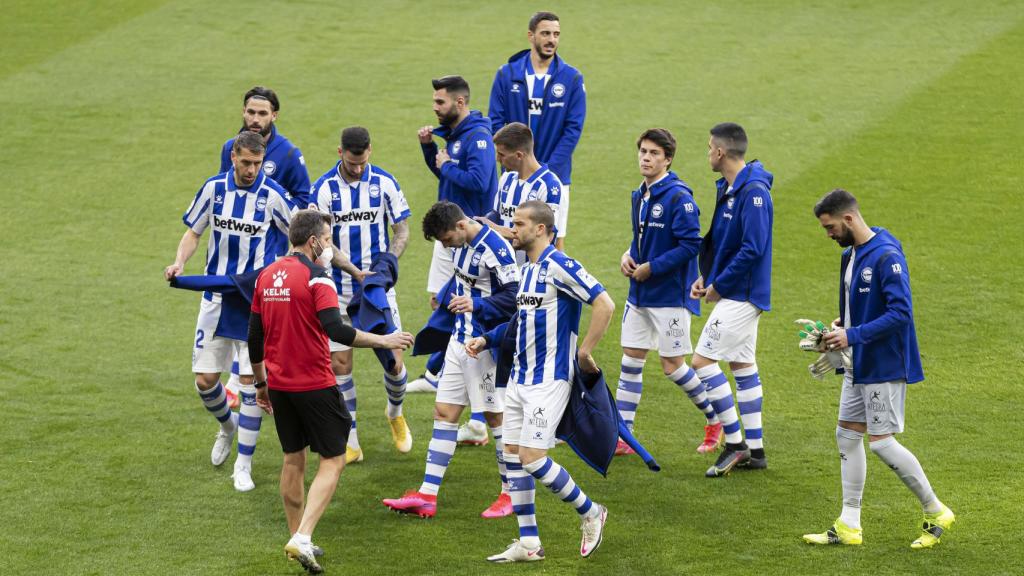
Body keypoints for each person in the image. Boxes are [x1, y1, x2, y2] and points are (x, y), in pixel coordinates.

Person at [248, 209, 413, 573]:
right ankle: (304, 536)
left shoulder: (266, 276)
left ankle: (297, 537)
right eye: (328, 238)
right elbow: (337, 330)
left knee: (293, 458)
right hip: (315, 384)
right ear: (314, 241)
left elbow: (254, 337)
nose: (329, 245)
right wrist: (384, 339)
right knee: (334, 458)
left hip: (279, 385)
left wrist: (261, 385)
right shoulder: (318, 277)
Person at [802, 189, 954, 549]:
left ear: (849, 219)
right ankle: (849, 524)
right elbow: (864, 304)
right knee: (847, 436)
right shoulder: (852, 254)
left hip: (884, 364)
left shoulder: (886, 256)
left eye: (830, 227)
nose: (828, 234)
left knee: (882, 444)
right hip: (860, 362)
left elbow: (901, 314)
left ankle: (936, 510)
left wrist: (851, 334)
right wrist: (841, 326)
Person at [465, 201, 613, 562]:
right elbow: (523, 322)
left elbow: (604, 303)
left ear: (542, 229)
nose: (512, 230)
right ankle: (529, 544)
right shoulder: (527, 270)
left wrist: (585, 351)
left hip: (549, 380)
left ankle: (591, 511)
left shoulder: (560, 266)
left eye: (519, 224)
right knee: (513, 456)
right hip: (519, 378)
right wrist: (488, 339)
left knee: (532, 457)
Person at [164, 131, 293, 492]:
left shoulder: (273, 195)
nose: (251, 170)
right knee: (205, 381)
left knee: (252, 384)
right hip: (216, 297)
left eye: (257, 163)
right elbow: (194, 232)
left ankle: (244, 465)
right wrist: (178, 263)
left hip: (255, 301)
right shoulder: (214, 189)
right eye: (245, 162)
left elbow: (297, 235)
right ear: (233, 157)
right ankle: (227, 427)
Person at [382, 201, 519, 519]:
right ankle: (427, 496)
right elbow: (464, 281)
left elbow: (515, 297)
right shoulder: (461, 244)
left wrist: (475, 304)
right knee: (444, 413)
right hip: (459, 343)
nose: (445, 246)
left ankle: (511, 493)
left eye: (445, 239)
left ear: (460, 226)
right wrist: (445, 297)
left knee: (494, 417)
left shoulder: (495, 250)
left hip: (481, 345)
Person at [309, 126, 413, 464]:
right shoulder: (323, 189)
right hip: (337, 290)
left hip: (377, 291)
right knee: (340, 364)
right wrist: (354, 270)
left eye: (363, 162)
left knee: (395, 361)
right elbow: (322, 241)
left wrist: (388, 263)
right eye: (352, 163)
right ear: (340, 152)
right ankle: (351, 440)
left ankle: (395, 413)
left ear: (370, 152)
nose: (358, 169)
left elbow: (401, 229)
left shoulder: (384, 182)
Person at [616, 129, 721, 456]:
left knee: (673, 365)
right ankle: (623, 435)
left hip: (670, 296)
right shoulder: (640, 194)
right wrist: (628, 254)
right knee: (630, 360)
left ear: (668, 159)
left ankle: (715, 417)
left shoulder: (679, 198)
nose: (646, 158)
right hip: (640, 293)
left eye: (653, 154)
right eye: (643, 152)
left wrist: (653, 267)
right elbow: (641, 237)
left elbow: (691, 245)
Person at [407, 76, 498, 446]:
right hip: (450, 234)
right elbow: (447, 175)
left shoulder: (476, 137)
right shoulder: (455, 137)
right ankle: (440, 374)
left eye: (440, 102)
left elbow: (477, 182)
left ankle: (470, 409)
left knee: (466, 317)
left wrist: (445, 164)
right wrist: (431, 151)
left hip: (468, 239)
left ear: (460, 102)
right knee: (440, 302)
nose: (435, 107)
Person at [690, 123, 774, 477]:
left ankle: (735, 443)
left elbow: (752, 248)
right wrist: (707, 276)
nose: (708, 152)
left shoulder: (753, 192)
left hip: (741, 294)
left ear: (721, 152)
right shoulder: (730, 186)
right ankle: (756, 451)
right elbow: (724, 240)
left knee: (702, 363)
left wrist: (720, 286)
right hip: (733, 289)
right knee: (742, 366)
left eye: (710, 147)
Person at [219, 86, 311, 407]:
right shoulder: (231, 148)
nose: (255, 119)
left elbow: (303, 201)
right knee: (231, 308)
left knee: (256, 313)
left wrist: (274, 208)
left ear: (275, 115)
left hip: (269, 244)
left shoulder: (288, 154)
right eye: (250, 112)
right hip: (235, 243)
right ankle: (240, 376)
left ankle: (244, 378)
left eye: (262, 113)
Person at [489, 11, 586, 243]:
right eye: (545, 33)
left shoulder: (571, 78)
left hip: (556, 175)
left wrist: (546, 172)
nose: (551, 39)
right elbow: (495, 120)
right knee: (509, 237)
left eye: (556, 34)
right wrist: (513, 160)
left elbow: (573, 130)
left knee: (553, 243)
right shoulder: (507, 74)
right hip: (514, 175)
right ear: (531, 36)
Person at [476, 122, 566, 255]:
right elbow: (497, 215)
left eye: (501, 154)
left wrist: (496, 228)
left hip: (530, 269)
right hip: (502, 266)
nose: (497, 159)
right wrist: (480, 222)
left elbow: (545, 237)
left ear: (519, 155)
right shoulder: (506, 178)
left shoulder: (549, 186)